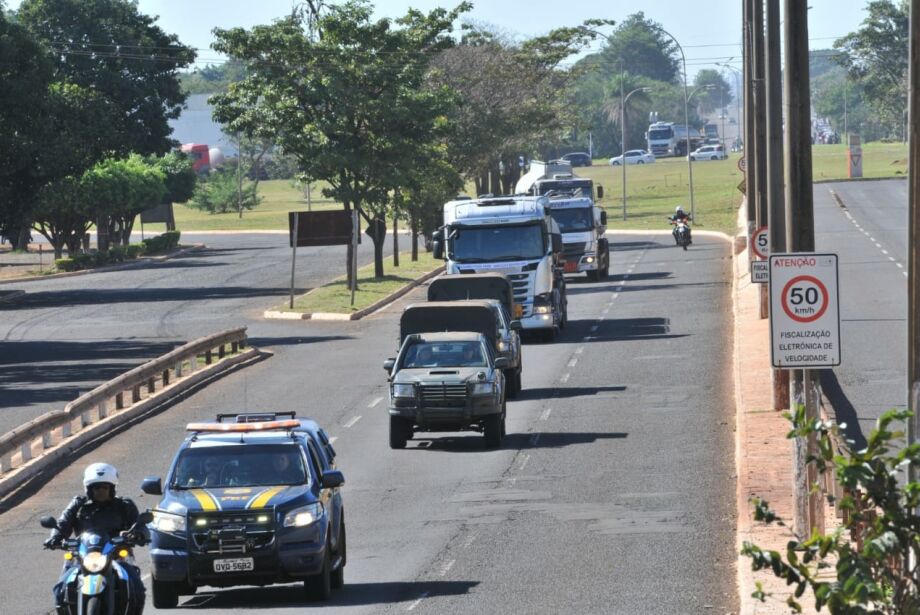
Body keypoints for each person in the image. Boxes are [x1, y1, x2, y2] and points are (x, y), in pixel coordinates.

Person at [44, 462, 149, 615]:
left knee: (136, 587)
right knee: (61, 588)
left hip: (117, 555)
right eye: (96, 488)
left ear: (112, 488)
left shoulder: (124, 505)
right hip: (82, 555)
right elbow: (63, 523)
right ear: (89, 489)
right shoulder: (78, 504)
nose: (100, 492)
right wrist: (55, 538)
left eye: (105, 488)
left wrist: (138, 534)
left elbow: (139, 525)